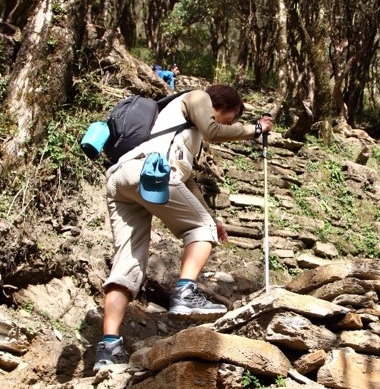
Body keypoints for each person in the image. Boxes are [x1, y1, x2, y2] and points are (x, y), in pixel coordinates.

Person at [93, 85, 273, 372]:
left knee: (128, 264)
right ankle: (185, 293)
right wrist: (256, 129)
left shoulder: (184, 130)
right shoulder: (198, 97)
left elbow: (185, 179)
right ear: (222, 105)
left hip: (123, 179)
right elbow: (214, 130)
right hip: (148, 171)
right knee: (201, 230)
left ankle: (108, 347)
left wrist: (211, 217)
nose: (228, 124)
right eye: (229, 118)